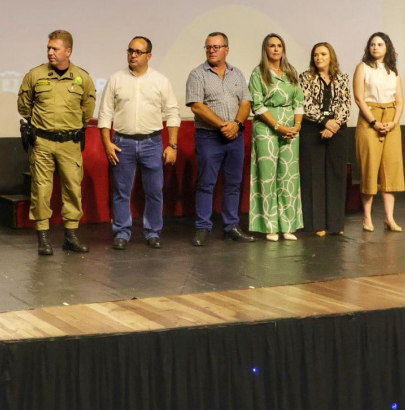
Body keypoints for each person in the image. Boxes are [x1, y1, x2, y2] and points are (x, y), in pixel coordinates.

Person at [17, 30, 97, 255]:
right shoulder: (35, 75)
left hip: (70, 143)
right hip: (42, 141)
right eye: (49, 48)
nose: (50, 52)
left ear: (68, 51)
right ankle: (43, 237)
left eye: (55, 49)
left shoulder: (82, 77)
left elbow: (86, 111)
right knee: (41, 191)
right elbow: (24, 106)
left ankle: (70, 236)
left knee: (72, 189)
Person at [98, 36, 181, 250]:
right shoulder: (116, 79)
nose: (133, 55)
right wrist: (107, 143)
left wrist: (172, 146)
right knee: (121, 191)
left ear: (149, 56)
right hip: (122, 143)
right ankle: (122, 232)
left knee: (154, 191)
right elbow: (105, 114)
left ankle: (152, 232)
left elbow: (172, 113)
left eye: (138, 52)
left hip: (151, 142)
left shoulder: (160, 81)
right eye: (130, 51)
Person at [185, 32, 256, 246]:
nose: (212, 50)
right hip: (209, 137)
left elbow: (245, 102)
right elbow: (197, 105)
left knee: (234, 184)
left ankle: (231, 226)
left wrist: (237, 124)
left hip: (235, 136)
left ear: (227, 49)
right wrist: (223, 125)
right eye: (208, 47)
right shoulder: (198, 74)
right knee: (206, 183)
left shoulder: (237, 74)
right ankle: (203, 227)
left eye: (216, 47)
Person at [247, 33, 305, 241]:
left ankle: (288, 226)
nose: (276, 49)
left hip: (291, 127)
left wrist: (296, 125)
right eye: (271, 46)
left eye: (279, 45)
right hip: (267, 126)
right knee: (267, 176)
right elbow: (258, 104)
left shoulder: (290, 72)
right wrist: (278, 126)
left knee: (288, 176)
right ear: (266, 49)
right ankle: (270, 226)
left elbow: (299, 101)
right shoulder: (258, 73)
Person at [353, 32, 405, 232]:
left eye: (380, 44)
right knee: (369, 168)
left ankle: (389, 218)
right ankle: (367, 218)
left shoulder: (393, 69)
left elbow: (400, 100)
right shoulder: (363, 67)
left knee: (390, 170)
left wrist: (393, 122)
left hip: (391, 118)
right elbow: (359, 98)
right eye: (372, 44)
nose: (375, 47)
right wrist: (374, 122)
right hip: (370, 117)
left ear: (387, 47)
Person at [299, 42, 351, 236]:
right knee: (315, 177)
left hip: (337, 131)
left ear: (331, 57)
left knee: (336, 176)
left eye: (323, 54)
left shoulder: (342, 78)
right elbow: (305, 104)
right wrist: (324, 122)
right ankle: (317, 224)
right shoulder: (305, 77)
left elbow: (346, 104)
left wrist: (334, 124)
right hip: (313, 130)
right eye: (315, 55)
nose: (318, 58)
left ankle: (336, 224)